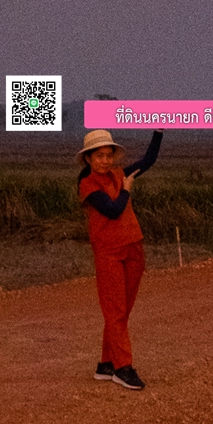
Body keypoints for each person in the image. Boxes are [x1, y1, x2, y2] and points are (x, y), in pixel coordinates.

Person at [76, 128, 163, 391]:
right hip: (109, 253)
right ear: (88, 159)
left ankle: (106, 364)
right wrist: (125, 191)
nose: (105, 160)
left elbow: (148, 161)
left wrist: (159, 132)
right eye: (99, 156)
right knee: (115, 311)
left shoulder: (119, 173)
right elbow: (113, 211)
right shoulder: (88, 184)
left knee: (121, 311)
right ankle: (123, 368)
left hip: (133, 247)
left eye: (108, 155)